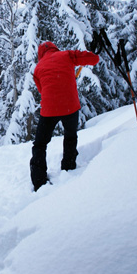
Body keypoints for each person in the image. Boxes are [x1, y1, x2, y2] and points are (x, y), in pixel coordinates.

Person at [30, 41, 99, 192]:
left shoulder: (38, 68)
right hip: (70, 106)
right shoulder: (66, 55)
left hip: (49, 109)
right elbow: (93, 59)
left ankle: (38, 180)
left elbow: (42, 90)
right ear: (55, 48)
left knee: (40, 144)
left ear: (40, 54)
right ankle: (68, 167)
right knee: (70, 136)